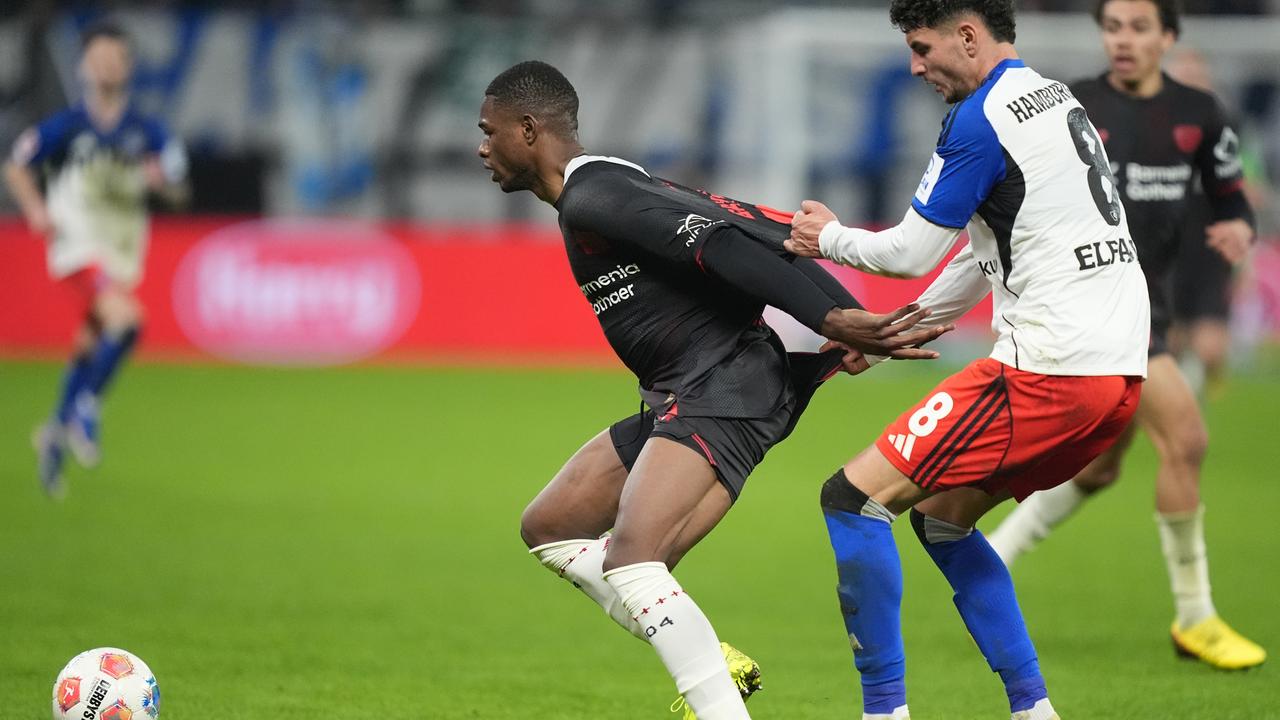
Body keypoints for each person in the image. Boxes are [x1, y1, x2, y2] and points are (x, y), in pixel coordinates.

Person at [477, 61, 950, 720]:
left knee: (634, 562)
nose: (481, 147)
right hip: (687, 390)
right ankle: (701, 647)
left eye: (488, 131)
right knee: (550, 527)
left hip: (721, 384)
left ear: (527, 130)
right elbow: (752, 225)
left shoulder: (595, 197)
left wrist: (833, 320)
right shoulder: (611, 183)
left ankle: (715, 697)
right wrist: (841, 317)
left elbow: (723, 245)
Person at [785, 0, 1149, 717]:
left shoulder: (983, 118)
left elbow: (911, 252)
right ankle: (1032, 709)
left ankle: (884, 712)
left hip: (1048, 371)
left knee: (852, 498)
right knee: (942, 518)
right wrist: (892, 334)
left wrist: (827, 237)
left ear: (968, 35)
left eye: (922, 48)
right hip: (1116, 377)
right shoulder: (1052, 96)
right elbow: (988, 257)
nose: (915, 66)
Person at [985, 0, 1266, 671]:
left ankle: (993, 555)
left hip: (1151, 308)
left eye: (1140, 28)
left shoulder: (1201, 116)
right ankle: (1195, 617)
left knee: (1102, 466)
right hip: (1093, 307)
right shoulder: (1069, 108)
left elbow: (1230, 196)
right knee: (1188, 439)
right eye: (1113, 27)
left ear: (1168, 37)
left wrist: (1238, 229)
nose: (1124, 40)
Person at [3, 22, 188, 499]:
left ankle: (53, 436)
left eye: (116, 57)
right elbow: (16, 163)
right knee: (128, 320)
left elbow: (180, 187)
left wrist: (162, 182)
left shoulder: (148, 131)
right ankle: (87, 407)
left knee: (90, 344)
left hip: (122, 249)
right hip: (78, 245)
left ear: (128, 66)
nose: (108, 65)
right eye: (99, 57)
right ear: (84, 66)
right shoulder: (67, 126)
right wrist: (36, 209)